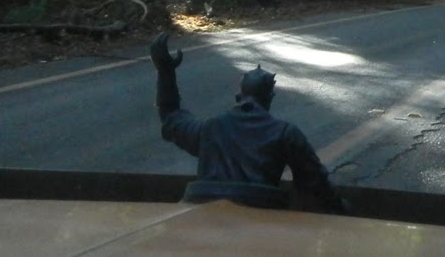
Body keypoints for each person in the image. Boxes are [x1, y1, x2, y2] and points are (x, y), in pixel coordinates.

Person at [149, 32, 347, 211]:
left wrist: (165, 72)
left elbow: (170, 116)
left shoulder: (210, 128)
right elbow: (316, 186)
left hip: (204, 218)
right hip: (261, 220)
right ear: (269, 98)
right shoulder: (285, 134)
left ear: (238, 96)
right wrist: (344, 212)